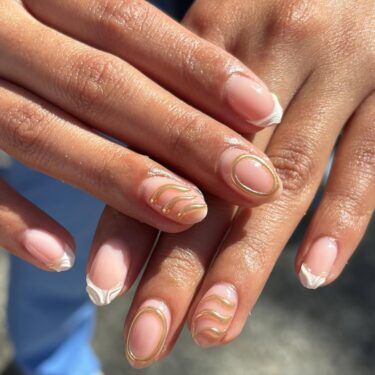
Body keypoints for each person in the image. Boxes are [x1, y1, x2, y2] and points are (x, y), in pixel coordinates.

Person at [0, 0, 373, 373]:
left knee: (289, 166)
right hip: (66, 26)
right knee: (62, 244)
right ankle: (52, 358)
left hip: (302, 42)